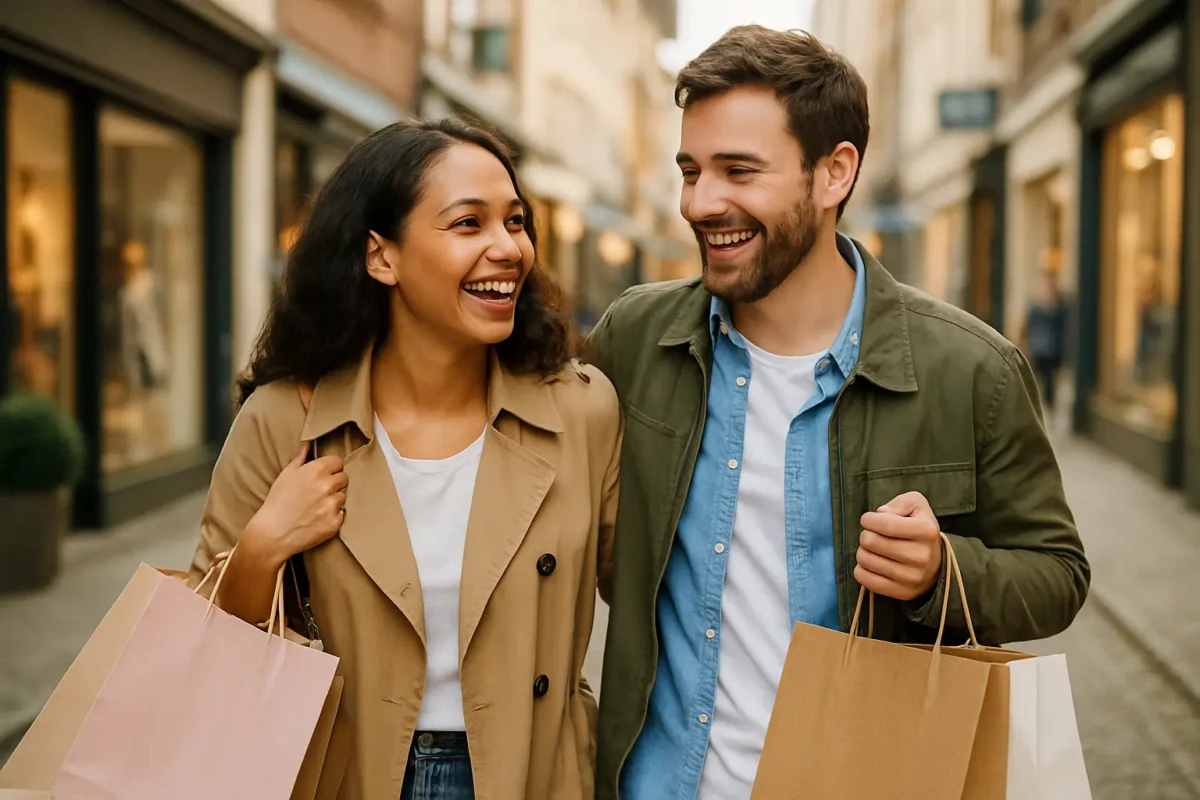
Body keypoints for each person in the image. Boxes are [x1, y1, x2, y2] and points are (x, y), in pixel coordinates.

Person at [585, 26, 1090, 800]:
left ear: (834, 174)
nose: (700, 202)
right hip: (659, 783)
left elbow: (1058, 572)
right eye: (690, 171)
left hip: (864, 778)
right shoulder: (634, 337)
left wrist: (941, 572)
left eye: (739, 171)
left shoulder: (971, 370)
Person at [189, 118, 621, 800]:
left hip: (532, 772)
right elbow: (201, 643)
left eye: (515, 222)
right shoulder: (286, 420)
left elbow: (656, 593)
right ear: (380, 257)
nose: (508, 248)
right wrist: (263, 547)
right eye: (467, 224)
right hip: (346, 772)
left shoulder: (581, 410)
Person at [1022, 266, 1066, 413]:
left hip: (1054, 349)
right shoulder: (1036, 305)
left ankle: (1048, 405)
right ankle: (1041, 406)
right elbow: (1028, 325)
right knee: (1039, 378)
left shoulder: (1060, 304)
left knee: (1050, 381)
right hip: (1040, 348)